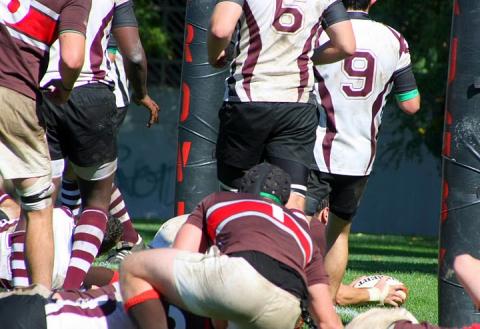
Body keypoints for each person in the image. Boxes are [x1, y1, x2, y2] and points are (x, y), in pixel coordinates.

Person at [120, 163, 342, 329]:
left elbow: (181, 254)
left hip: (237, 282)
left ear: (241, 191)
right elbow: (327, 321)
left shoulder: (218, 199)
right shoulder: (300, 229)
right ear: (282, 202)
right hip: (287, 311)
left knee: (132, 266)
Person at [306, 0, 421, 301]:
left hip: (315, 148)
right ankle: (325, 310)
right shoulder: (394, 39)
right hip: (359, 155)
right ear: (373, 1)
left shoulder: (318, 32)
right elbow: (411, 104)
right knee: (338, 233)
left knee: (300, 227)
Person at [39, 0, 159, 289]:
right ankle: (73, 276)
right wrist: (142, 92)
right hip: (96, 94)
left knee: (43, 196)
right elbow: (134, 53)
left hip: (44, 92)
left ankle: (41, 277)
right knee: (91, 186)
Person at [208, 0, 356, 211]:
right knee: (294, 197)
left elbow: (220, 31)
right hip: (296, 103)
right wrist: (308, 58)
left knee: (232, 196)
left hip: (248, 100)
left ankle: (233, 239)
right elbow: (346, 45)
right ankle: (287, 242)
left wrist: (214, 56)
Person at [0, 0, 91, 290]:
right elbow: (73, 58)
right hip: (14, 95)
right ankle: (39, 301)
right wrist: (65, 89)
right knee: (38, 207)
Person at [0, 189, 122, 289]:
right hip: (11, 280)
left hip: (7, 237)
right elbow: (114, 278)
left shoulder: (63, 215)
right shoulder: (72, 275)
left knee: (14, 209)